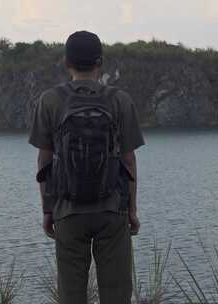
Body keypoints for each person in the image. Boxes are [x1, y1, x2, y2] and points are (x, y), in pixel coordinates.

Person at [28, 30, 145, 304]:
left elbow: (44, 161)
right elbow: (129, 161)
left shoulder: (50, 100)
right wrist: (132, 211)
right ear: (99, 62)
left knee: (71, 294)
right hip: (112, 209)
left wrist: (48, 210)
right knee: (116, 294)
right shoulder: (120, 100)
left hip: (67, 211)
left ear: (66, 62)